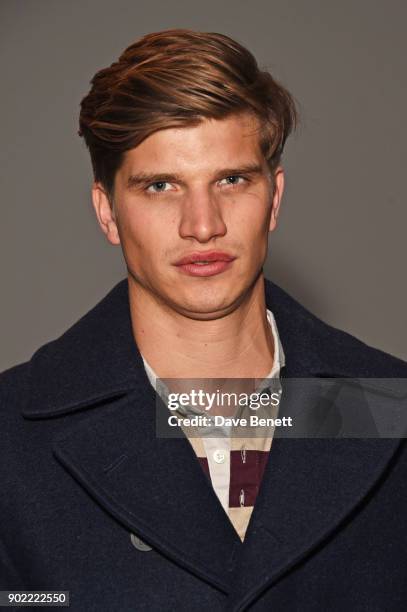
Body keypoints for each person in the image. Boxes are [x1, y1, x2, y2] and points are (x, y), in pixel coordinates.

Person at [1, 28, 406, 611]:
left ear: (274, 197)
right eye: (161, 186)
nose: (202, 223)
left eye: (232, 180)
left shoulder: (389, 409)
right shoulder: (13, 438)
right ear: (108, 213)